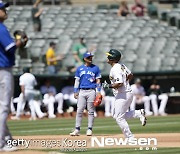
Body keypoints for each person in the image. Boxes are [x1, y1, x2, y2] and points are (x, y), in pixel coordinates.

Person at [0, 1, 28, 151]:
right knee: (4, 107)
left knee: (2, 107)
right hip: (3, 70)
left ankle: (7, 139)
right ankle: (1, 143)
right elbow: (10, 49)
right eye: (2, 8)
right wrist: (20, 41)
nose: (5, 10)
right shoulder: (1, 28)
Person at [102, 49, 146, 139]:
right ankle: (139, 113)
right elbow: (130, 75)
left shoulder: (115, 69)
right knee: (117, 116)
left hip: (123, 94)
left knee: (119, 118)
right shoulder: (121, 66)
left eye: (109, 55)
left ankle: (130, 137)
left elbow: (119, 83)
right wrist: (126, 81)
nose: (107, 57)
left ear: (112, 58)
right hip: (126, 93)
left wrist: (108, 86)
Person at [70, 52, 101, 136]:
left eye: (91, 57)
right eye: (88, 57)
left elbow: (98, 80)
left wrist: (98, 91)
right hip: (82, 91)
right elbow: (77, 80)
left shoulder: (95, 68)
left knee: (91, 111)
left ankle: (89, 129)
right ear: (84, 59)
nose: (90, 58)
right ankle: (77, 129)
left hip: (91, 90)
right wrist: (75, 91)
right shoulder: (80, 68)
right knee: (79, 110)